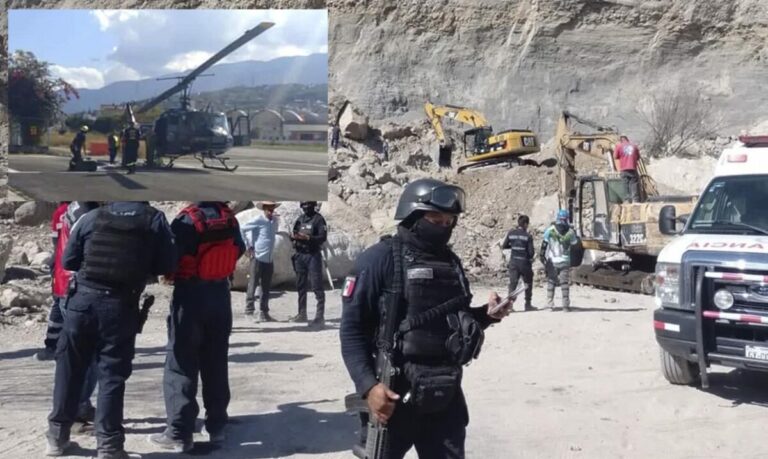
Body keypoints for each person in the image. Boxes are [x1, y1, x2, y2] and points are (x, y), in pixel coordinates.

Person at [340, 178, 513, 459]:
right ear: (413, 216)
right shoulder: (379, 259)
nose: (444, 226)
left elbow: (454, 321)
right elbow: (352, 330)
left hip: (445, 394)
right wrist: (368, 386)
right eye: (436, 219)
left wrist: (486, 315)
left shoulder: (451, 262)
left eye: (449, 221)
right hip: (393, 395)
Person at [46, 202, 176, 459]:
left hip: (81, 303)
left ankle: (56, 438)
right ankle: (109, 446)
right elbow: (167, 264)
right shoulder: (154, 219)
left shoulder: (93, 216)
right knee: (112, 375)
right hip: (120, 305)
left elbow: (68, 260)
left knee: (69, 369)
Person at [149, 202, 245, 453]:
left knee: (180, 363)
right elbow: (239, 249)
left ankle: (179, 432)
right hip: (220, 295)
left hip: (190, 296)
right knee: (216, 362)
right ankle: (217, 426)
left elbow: (169, 259)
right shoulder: (229, 219)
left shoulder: (187, 220)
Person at [241, 201, 281, 321]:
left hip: (269, 258)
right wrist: (248, 246)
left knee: (266, 286)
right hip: (258, 257)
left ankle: (264, 312)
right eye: (268, 208)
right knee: (253, 284)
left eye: (272, 208)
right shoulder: (258, 220)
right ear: (264, 209)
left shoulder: (274, 221)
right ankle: (249, 311)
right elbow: (242, 229)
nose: (270, 210)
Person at [290, 201, 328, 327]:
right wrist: (294, 237)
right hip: (300, 255)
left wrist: (308, 238)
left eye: (308, 205)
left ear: (313, 205)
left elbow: (323, 237)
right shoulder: (300, 219)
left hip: (312, 255)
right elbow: (294, 232)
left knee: (317, 286)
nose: (306, 208)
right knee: (301, 285)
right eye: (304, 206)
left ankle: (319, 317)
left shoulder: (319, 219)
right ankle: (302, 313)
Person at [540, 210, 580, 312]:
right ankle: (565, 306)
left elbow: (544, 246)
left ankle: (549, 305)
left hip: (552, 261)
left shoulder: (550, 230)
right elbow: (575, 245)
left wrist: (542, 258)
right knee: (564, 283)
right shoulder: (571, 232)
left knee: (551, 282)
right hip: (565, 261)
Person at [501, 214, 535, 311]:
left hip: (513, 262)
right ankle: (528, 304)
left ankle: (509, 306)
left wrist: (513, 246)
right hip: (524, 263)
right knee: (528, 283)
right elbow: (531, 253)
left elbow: (504, 246)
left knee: (513, 284)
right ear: (525, 224)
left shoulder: (511, 233)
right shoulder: (528, 236)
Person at [613, 135, 642, 203]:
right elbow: (638, 157)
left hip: (624, 169)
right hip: (633, 168)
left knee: (625, 184)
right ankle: (635, 200)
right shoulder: (634, 145)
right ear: (627, 139)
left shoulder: (619, 146)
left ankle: (627, 200)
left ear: (621, 140)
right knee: (634, 184)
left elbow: (615, 156)